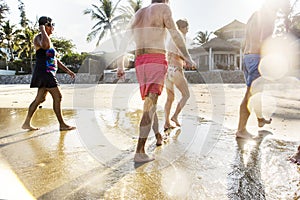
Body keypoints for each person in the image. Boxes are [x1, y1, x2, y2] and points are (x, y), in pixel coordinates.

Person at [117, 0, 196, 163]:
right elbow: (175, 33)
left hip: (140, 61)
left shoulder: (138, 13)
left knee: (150, 103)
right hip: (155, 59)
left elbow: (124, 40)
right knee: (150, 105)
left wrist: (120, 65)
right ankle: (139, 151)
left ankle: (158, 135)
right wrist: (187, 57)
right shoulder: (164, 8)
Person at [236, 0, 288, 139]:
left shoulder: (254, 15)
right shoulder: (268, 17)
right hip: (257, 57)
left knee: (257, 91)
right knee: (250, 94)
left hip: (247, 57)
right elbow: (263, 42)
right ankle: (241, 130)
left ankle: (260, 120)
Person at [22, 16, 76, 131]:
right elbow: (45, 46)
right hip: (45, 73)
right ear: (45, 26)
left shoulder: (49, 40)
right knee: (58, 97)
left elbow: (55, 60)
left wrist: (67, 70)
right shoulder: (38, 38)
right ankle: (62, 124)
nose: (53, 27)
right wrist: (42, 29)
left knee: (39, 99)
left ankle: (26, 123)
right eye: (51, 25)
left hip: (46, 73)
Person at [164, 19, 190, 131]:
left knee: (170, 98)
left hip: (167, 70)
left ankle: (166, 122)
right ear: (184, 27)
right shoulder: (180, 36)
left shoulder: (171, 37)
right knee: (186, 95)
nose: (188, 30)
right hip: (175, 70)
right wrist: (188, 60)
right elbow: (181, 53)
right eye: (188, 27)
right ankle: (174, 116)